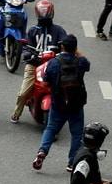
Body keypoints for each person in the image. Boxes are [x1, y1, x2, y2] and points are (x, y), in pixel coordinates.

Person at [32, 35, 89, 171]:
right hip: (76, 104)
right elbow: (87, 64)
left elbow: (45, 81)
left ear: (62, 47)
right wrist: (77, 52)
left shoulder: (54, 62)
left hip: (58, 103)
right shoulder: (79, 62)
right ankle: (71, 162)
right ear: (75, 48)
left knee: (51, 128)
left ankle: (42, 151)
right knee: (76, 133)